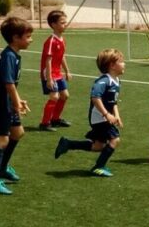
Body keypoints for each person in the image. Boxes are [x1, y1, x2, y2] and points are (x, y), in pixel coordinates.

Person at [54, 49, 125, 177]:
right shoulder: (104, 81)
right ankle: (98, 167)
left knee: (98, 146)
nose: (124, 64)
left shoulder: (117, 81)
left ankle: (68, 143)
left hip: (104, 118)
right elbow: (95, 98)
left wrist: (117, 116)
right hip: (99, 119)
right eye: (121, 61)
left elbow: (113, 102)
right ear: (112, 66)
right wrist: (106, 114)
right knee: (115, 140)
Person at [0, 16, 33, 195]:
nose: (31, 40)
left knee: (17, 132)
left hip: (7, 103)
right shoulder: (8, 56)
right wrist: (16, 102)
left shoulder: (14, 55)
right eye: (27, 36)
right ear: (15, 38)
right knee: (1, 140)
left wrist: (17, 100)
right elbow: (9, 84)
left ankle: (3, 168)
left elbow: (11, 85)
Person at [38, 10, 72, 131]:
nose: (65, 24)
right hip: (49, 73)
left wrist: (67, 71)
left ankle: (55, 119)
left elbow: (62, 56)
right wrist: (49, 79)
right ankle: (44, 123)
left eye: (65, 22)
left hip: (58, 73)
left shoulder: (62, 39)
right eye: (62, 22)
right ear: (53, 25)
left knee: (65, 95)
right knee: (54, 97)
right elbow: (48, 60)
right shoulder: (51, 41)